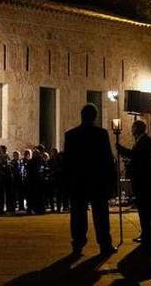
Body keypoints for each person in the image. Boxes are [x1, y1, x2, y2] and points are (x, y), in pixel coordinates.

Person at [63, 104, 117, 256]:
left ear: (82, 116)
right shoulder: (101, 134)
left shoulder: (71, 135)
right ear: (95, 117)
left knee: (78, 215)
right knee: (101, 214)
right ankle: (105, 244)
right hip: (97, 180)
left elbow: (67, 161)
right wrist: (112, 180)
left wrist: (67, 182)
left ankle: (77, 244)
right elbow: (107, 159)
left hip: (78, 180)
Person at [116, 119, 151, 253]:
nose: (131, 130)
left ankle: (148, 236)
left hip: (144, 180)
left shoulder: (145, 141)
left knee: (146, 210)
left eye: (133, 127)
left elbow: (139, 157)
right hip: (140, 180)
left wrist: (122, 149)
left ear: (138, 128)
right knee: (142, 210)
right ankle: (145, 233)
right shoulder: (140, 140)